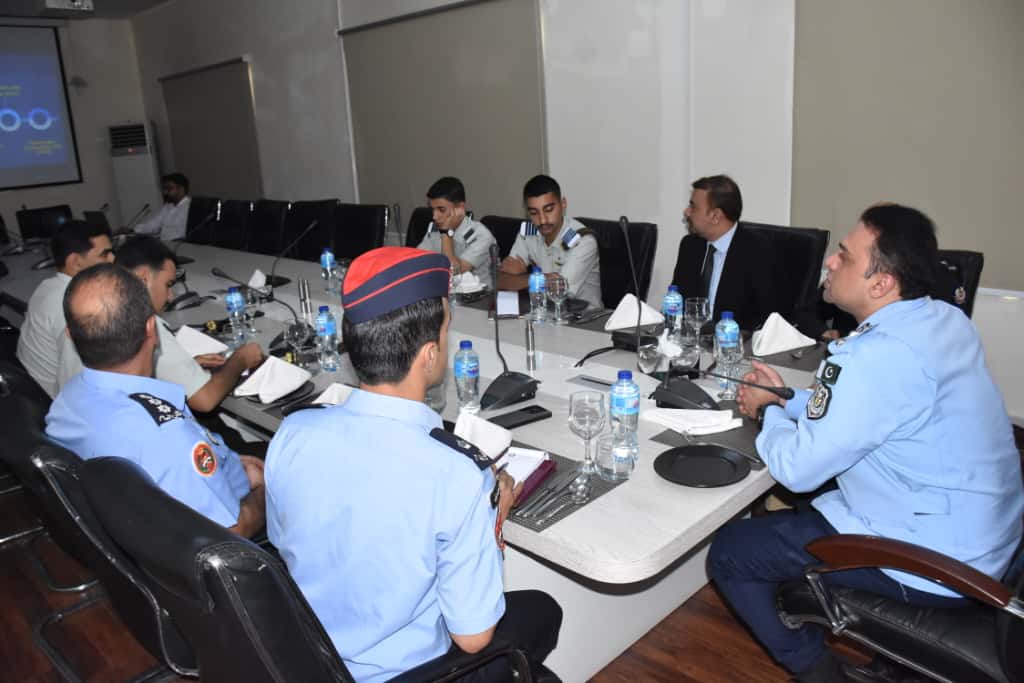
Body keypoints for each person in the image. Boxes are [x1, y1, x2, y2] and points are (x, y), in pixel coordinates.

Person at [708, 204, 1024, 682]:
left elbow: (796, 470)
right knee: (809, 504)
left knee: (731, 551)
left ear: (881, 284)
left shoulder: (870, 358)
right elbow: (870, 408)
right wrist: (786, 398)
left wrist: (767, 411)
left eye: (845, 255)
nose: (830, 262)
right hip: (989, 536)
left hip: (937, 563)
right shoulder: (944, 319)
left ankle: (819, 672)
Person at [266, 246, 562, 682]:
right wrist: (494, 518)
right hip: (408, 673)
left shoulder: (294, 432)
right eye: (446, 329)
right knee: (543, 611)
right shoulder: (457, 472)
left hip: (311, 660)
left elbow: (284, 543)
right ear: (429, 355)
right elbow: (474, 638)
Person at [45, 263, 266, 537]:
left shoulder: (65, 403)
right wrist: (263, 489)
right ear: (152, 328)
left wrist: (222, 462)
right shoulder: (168, 435)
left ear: (71, 335)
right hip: (220, 532)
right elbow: (233, 532)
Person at [54, 236, 266, 454]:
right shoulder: (144, 326)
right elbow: (205, 400)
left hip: (97, 445)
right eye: (168, 284)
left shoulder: (84, 323)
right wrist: (240, 360)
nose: (171, 296)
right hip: (146, 446)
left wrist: (177, 367)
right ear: (144, 278)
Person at [17, 220, 114, 396]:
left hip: (30, 394)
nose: (113, 259)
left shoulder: (48, 286)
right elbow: (80, 386)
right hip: (53, 402)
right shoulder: (78, 306)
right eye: (104, 254)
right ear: (75, 262)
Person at [670, 174, 780, 330]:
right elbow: (676, 303)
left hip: (732, 341)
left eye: (693, 207)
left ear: (715, 216)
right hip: (691, 340)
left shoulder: (758, 251)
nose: (687, 212)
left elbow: (769, 318)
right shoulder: (690, 246)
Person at [498, 174, 602, 309]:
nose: (542, 220)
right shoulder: (528, 233)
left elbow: (559, 290)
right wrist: (543, 279)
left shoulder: (582, 240)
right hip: (542, 311)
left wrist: (522, 279)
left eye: (548, 210)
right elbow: (501, 281)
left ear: (563, 204)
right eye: (534, 213)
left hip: (583, 316)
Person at [416, 176, 497, 290]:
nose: (434, 216)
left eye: (441, 209)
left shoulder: (481, 235)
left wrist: (446, 232)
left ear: (460, 208)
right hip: (443, 293)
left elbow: (452, 272)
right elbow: (417, 261)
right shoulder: (435, 229)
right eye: (432, 209)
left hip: (478, 298)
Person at [133, 172, 191, 241]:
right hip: (165, 244)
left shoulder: (191, 206)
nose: (165, 192)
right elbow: (153, 225)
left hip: (183, 244)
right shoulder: (167, 207)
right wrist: (133, 230)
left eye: (169, 189)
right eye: (164, 189)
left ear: (181, 189)